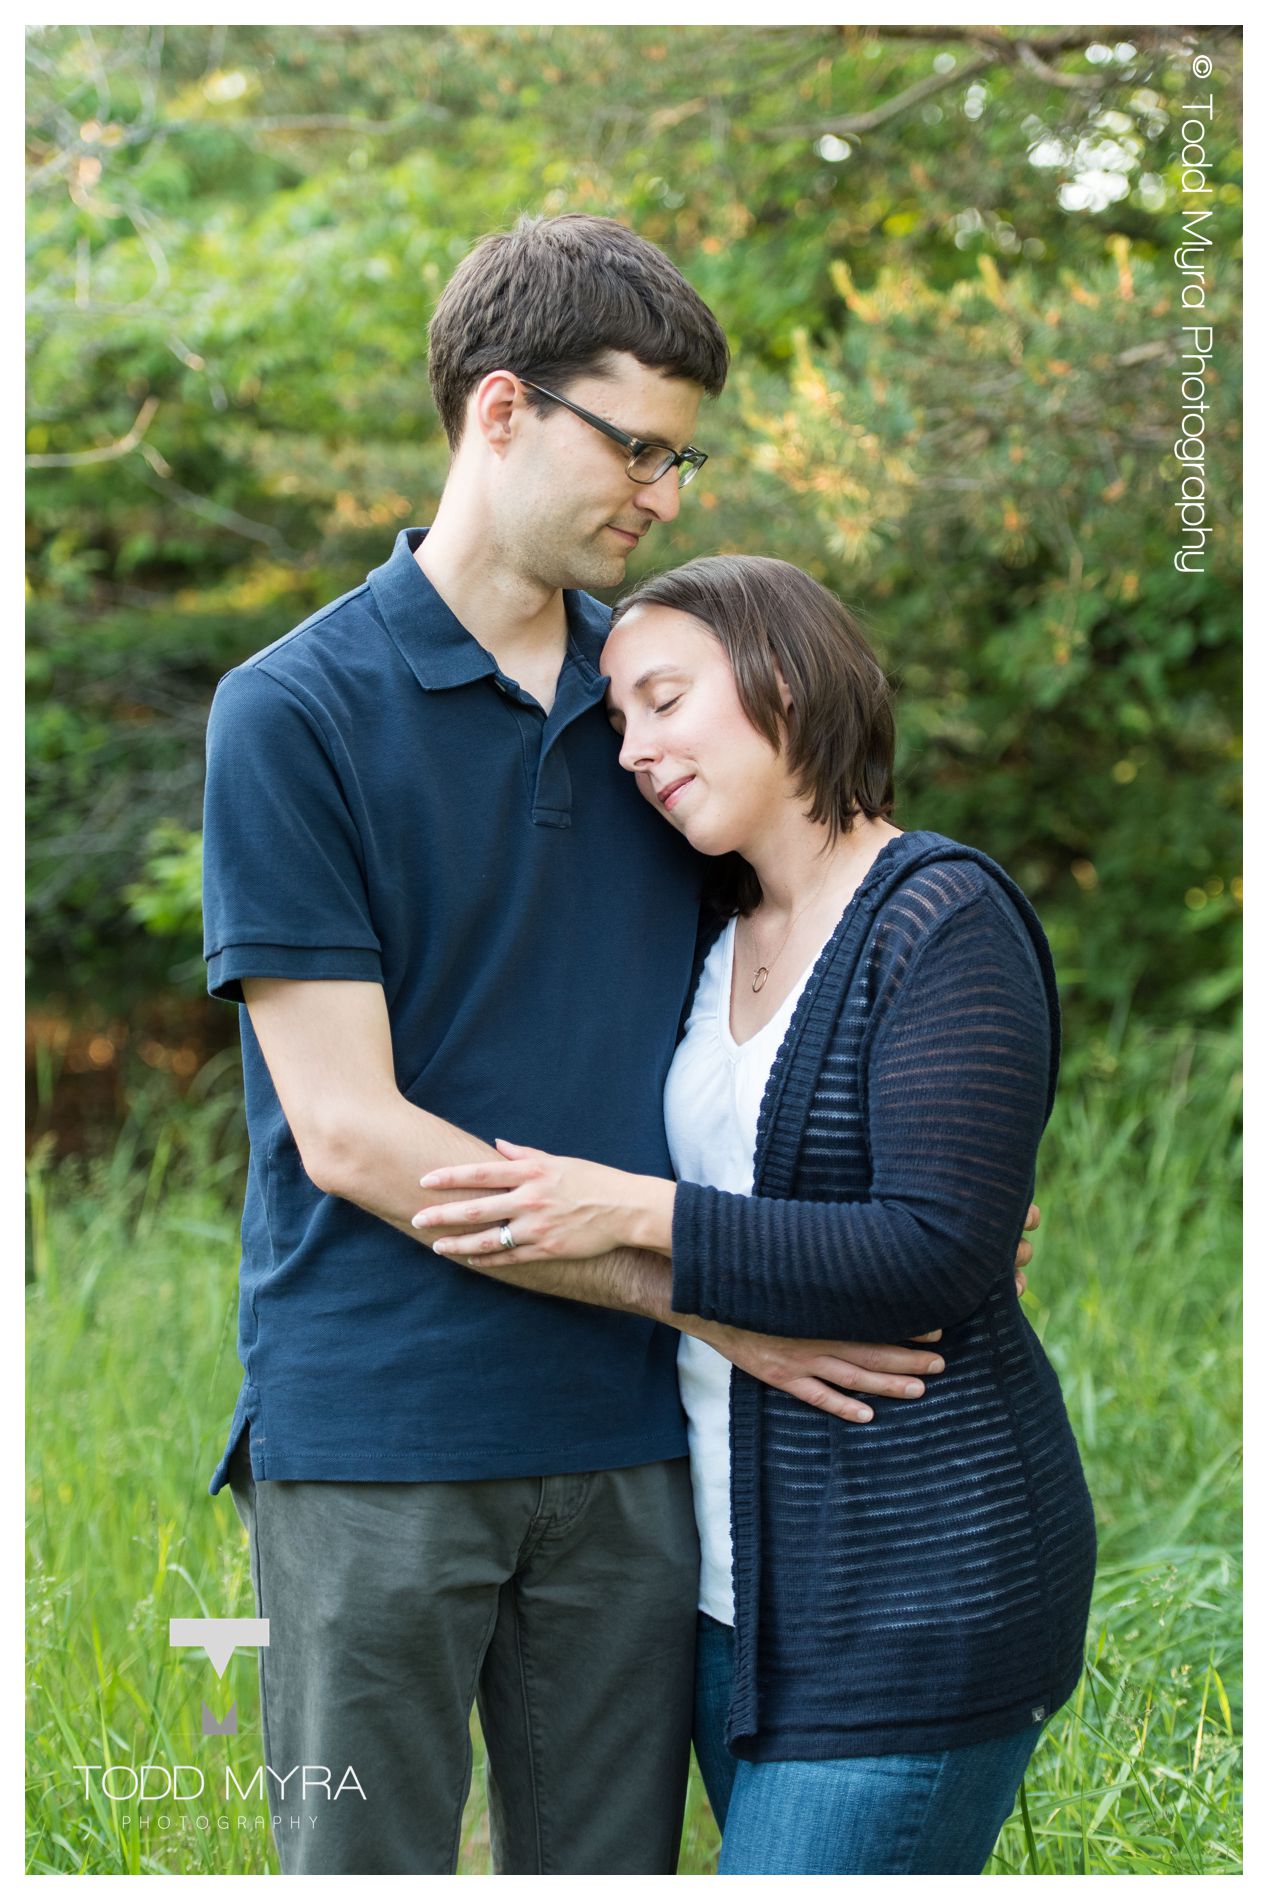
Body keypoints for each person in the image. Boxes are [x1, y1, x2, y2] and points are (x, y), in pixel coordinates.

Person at [200, 216, 997, 1876]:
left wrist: (932, 1171)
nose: (667, 494)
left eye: (684, 458)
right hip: (380, 1434)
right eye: (638, 446)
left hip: (635, 1448)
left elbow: (820, 945)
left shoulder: (659, 713)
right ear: (503, 410)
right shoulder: (294, 710)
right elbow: (350, 1131)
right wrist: (716, 1298)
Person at [413, 554, 1098, 1877]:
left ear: (783, 674)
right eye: (618, 722)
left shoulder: (942, 916)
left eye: (664, 701)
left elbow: (935, 1252)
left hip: (917, 1585)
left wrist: (638, 1209)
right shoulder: (711, 931)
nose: (634, 752)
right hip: (736, 1599)